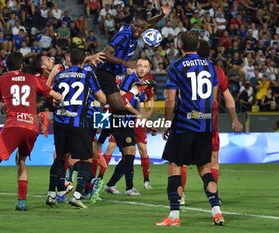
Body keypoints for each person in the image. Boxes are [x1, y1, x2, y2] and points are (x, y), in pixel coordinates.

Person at [0, 52, 62, 214]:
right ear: (21, 66)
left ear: (6, 66)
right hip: (32, 127)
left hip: (13, 126)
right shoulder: (32, 79)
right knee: (21, 160)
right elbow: (57, 96)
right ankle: (21, 202)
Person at [95, 2, 170, 195]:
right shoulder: (124, 34)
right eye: (136, 27)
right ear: (132, 24)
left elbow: (148, 24)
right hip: (105, 74)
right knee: (119, 109)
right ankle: (103, 140)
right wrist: (125, 63)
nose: (139, 30)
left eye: (141, 27)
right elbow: (105, 54)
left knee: (119, 115)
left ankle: (117, 180)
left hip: (113, 76)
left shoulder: (139, 29)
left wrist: (162, 14)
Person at [156, 31, 224, 227]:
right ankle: (216, 212)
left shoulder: (176, 66)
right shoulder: (210, 66)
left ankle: (174, 216)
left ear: (180, 45)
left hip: (185, 124)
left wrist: (167, 122)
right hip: (205, 123)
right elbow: (213, 97)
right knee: (204, 167)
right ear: (198, 44)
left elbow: (170, 98)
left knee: (174, 166)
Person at [179, 40, 243, 206]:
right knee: (213, 159)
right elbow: (228, 97)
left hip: (188, 117)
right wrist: (234, 119)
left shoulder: (184, 67)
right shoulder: (217, 70)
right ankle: (213, 195)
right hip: (209, 120)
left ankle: (180, 195)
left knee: (181, 159)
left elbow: (176, 95)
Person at [46, 48, 106, 209]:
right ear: (84, 60)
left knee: (60, 158)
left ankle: (52, 193)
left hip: (60, 122)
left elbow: (53, 96)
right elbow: (102, 97)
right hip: (79, 122)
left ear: (70, 59)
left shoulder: (60, 75)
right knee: (87, 159)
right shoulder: (87, 73)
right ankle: (78, 195)